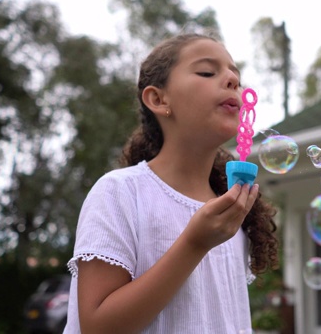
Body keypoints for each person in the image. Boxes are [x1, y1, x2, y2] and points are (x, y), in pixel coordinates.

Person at [64, 32, 279, 334]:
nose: (232, 80)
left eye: (236, 76)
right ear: (158, 99)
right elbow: (97, 326)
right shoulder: (121, 193)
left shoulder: (229, 212)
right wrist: (194, 244)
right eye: (207, 72)